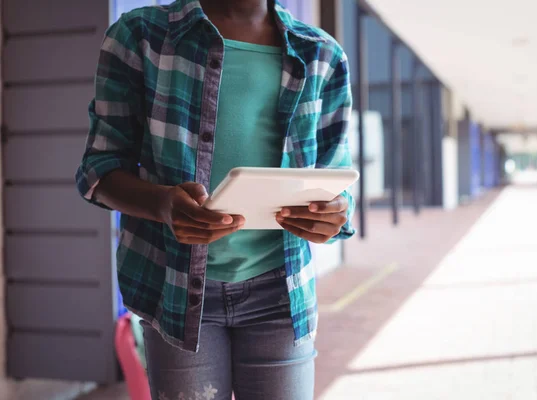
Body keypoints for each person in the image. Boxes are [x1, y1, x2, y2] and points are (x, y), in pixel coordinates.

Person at [76, 0, 355, 399]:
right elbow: (98, 169)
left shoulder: (322, 54)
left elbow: (336, 178)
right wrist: (162, 204)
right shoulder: (140, 36)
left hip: (282, 293)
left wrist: (335, 213)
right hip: (174, 290)